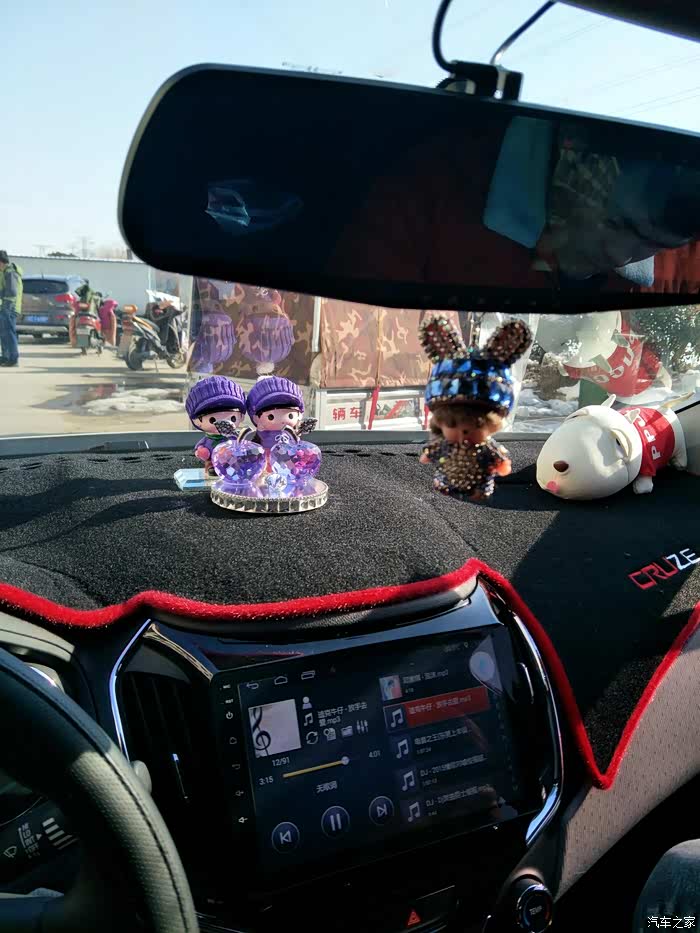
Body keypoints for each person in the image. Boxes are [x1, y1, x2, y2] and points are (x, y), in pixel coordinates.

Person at [0, 250, 23, 367]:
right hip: (6, 306)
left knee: (9, 333)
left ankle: (13, 359)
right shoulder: (5, 272)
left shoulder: (10, 272)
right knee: (4, 333)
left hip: (9, 307)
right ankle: (6, 357)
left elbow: (12, 291)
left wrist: (1, 295)